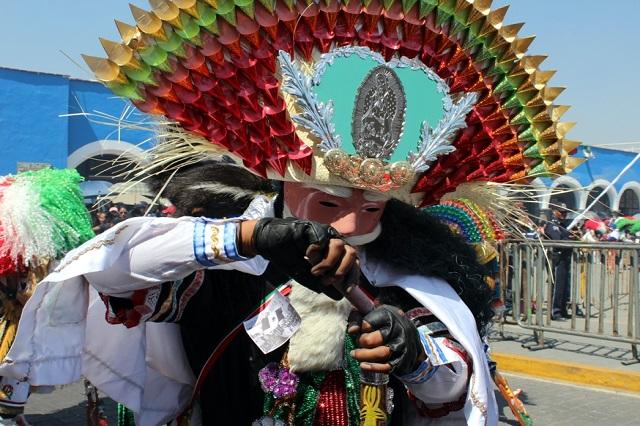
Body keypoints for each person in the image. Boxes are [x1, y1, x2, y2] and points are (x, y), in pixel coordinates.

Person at [0, 1, 584, 425]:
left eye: (374, 205)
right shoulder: (221, 262)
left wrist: (415, 355)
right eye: (330, 203)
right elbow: (112, 270)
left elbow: (455, 388)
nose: (354, 225)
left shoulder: (405, 279)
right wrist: (252, 238)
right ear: (282, 184)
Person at [0, 168, 94, 422]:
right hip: (14, 327)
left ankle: (10, 415)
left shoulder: (25, 259)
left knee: (13, 372)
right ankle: (8, 416)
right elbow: (30, 295)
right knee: (12, 370)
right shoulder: (24, 260)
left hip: (15, 326)